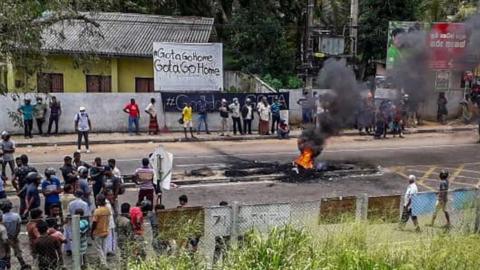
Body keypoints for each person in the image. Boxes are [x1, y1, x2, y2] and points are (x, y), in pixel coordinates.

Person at [2, 201, 29, 269]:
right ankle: (23, 265)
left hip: (5, 238)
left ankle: (8, 267)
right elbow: (18, 227)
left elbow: (2, 229)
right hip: (14, 237)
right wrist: (15, 235)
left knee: (7, 253)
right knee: (17, 251)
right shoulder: (16, 215)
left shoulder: (2, 218)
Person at [91, 194, 111, 267]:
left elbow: (94, 222)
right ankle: (103, 261)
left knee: (99, 248)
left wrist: (91, 232)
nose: (96, 201)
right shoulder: (107, 210)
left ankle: (103, 263)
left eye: (96, 200)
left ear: (99, 201)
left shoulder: (97, 211)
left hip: (98, 232)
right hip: (105, 230)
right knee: (104, 248)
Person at [105, 191, 117, 256]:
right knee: (111, 237)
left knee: (108, 237)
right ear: (106, 196)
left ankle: (108, 249)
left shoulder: (106, 203)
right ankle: (110, 250)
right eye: (110, 195)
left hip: (107, 224)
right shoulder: (108, 204)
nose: (112, 196)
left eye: (112, 195)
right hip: (110, 224)